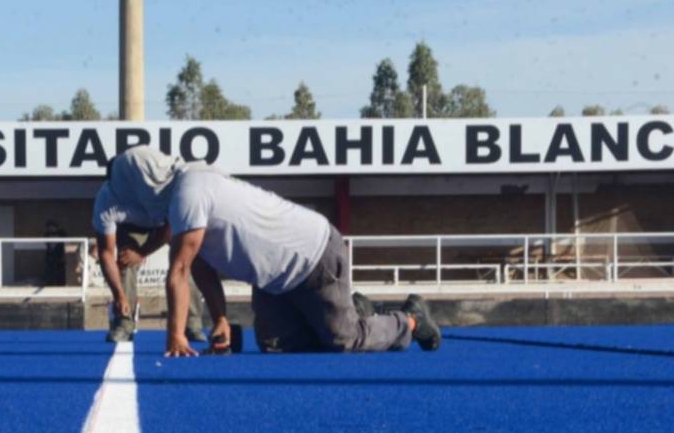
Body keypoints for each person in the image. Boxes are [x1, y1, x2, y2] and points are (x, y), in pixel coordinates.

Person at [104, 147, 441, 357]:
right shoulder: (180, 202)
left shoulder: (189, 192)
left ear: (143, 184)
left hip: (313, 255)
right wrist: (220, 319)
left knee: (344, 341)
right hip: (274, 281)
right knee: (276, 346)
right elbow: (199, 269)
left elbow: (176, 271)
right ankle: (354, 310)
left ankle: (409, 320)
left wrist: (175, 336)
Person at [91, 180, 206, 344]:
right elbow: (106, 252)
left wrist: (141, 252)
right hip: (131, 227)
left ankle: (192, 324)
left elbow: (170, 230)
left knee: (184, 262)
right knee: (125, 261)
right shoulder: (107, 199)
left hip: (165, 224)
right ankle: (124, 322)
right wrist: (119, 295)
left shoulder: (163, 188)